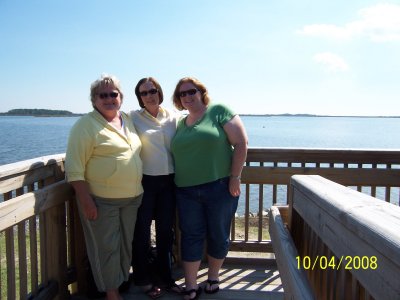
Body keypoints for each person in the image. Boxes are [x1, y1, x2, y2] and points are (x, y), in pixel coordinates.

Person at [65, 74, 143, 300]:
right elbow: (74, 167)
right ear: (94, 99)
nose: (109, 98)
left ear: (121, 97)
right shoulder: (85, 126)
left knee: (125, 245)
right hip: (101, 199)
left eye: (113, 94)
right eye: (103, 95)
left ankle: (119, 283)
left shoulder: (127, 120)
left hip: (132, 198)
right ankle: (111, 292)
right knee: (106, 248)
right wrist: (86, 200)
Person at [170, 77, 248, 300]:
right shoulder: (180, 123)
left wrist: (235, 177)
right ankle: (191, 285)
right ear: (178, 99)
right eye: (182, 94)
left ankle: (213, 277)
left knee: (218, 234)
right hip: (185, 191)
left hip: (219, 187)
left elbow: (241, 143)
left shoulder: (218, 111)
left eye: (191, 91)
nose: (187, 96)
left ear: (201, 92)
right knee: (191, 235)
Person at [130, 77, 182, 298]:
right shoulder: (132, 117)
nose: (149, 95)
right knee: (141, 233)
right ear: (139, 98)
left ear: (160, 92)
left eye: (152, 90)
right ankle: (142, 278)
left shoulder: (174, 117)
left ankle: (166, 278)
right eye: (143, 93)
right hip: (145, 182)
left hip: (169, 182)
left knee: (165, 233)